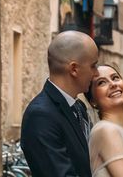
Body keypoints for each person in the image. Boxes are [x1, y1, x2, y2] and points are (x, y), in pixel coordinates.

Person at [21, 30, 100, 177]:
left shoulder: (79, 108)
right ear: (74, 69)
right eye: (93, 66)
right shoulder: (40, 116)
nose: (96, 74)